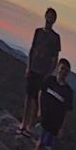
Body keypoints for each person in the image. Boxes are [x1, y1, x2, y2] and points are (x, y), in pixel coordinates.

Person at [19, 8, 61, 137]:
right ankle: (23, 123)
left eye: (52, 17)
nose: (50, 19)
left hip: (43, 72)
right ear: (45, 16)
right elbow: (32, 49)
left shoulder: (55, 37)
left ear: (54, 20)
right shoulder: (38, 32)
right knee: (28, 96)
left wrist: (49, 74)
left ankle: (30, 126)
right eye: (49, 16)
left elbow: (55, 58)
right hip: (33, 68)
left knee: (36, 99)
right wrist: (28, 66)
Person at [33, 58, 74, 150]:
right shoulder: (49, 81)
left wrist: (62, 128)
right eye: (62, 68)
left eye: (66, 70)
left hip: (56, 124)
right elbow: (40, 92)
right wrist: (39, 109)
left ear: (68, 73)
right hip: (46, 119)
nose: (63, 72)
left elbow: (67, 111)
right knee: (40, 144)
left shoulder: (68, 91)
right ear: (58, 68)